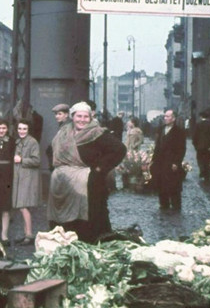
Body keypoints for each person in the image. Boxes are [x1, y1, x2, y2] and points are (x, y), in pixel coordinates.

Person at [48, 102, 126, 243]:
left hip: (90, 186)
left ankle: (89, 247)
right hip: (64, 186)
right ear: (72, 116)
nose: (82, 119)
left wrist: (99, 169)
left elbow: (119, 149)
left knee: (90, 222)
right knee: (65, 224)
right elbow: (51, 149)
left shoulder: (97, 133)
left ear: (91, 118)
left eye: (86, 117)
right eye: (79, 116)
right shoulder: (64, 132)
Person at [150, 109, 187, 211]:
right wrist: (153, 160)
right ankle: (164, 204)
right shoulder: (161, 129)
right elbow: (157, 146)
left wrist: (177, 162)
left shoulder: (179, 132)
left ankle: (176, 205)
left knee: (173, 184)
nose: (165, 118)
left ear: (173, 118)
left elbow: (181, 149)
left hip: (171, 162)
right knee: (161, 183)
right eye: (165, 116)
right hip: (160, 161)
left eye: (168, 116)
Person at [12, 118, 40, 245]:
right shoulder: (18, 141)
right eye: (19, 128)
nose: (21, 131)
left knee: (23, 206)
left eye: (24, 129)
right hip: (19, 177)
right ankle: (26, 234)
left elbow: (37, 161)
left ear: (28, 129)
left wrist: (22, 160)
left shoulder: (33, 142)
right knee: (22, 206)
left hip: (28, 178)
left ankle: (29, 234)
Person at [192, 110, 210, 182]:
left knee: (200, 159)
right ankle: (207, 176)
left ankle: (202, 170)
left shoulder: (198, 124)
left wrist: (195, 145)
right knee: (208, 161)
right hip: (209, 147)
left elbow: (195, 136)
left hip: (200, 146)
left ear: (201, 116)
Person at [46, 103, 70, 170]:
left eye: (59, 114)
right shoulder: (62, 126)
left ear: (66, 115)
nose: (56, 116)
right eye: (56, 114)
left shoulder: (67, 128)